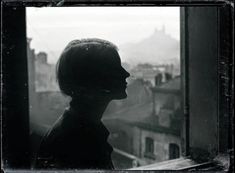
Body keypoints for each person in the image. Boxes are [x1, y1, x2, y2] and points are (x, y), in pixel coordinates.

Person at [34, 38, 130, 169]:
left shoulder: (77, 129)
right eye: (115, 69)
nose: (126, 73)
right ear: (92, 79)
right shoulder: (76, 141)